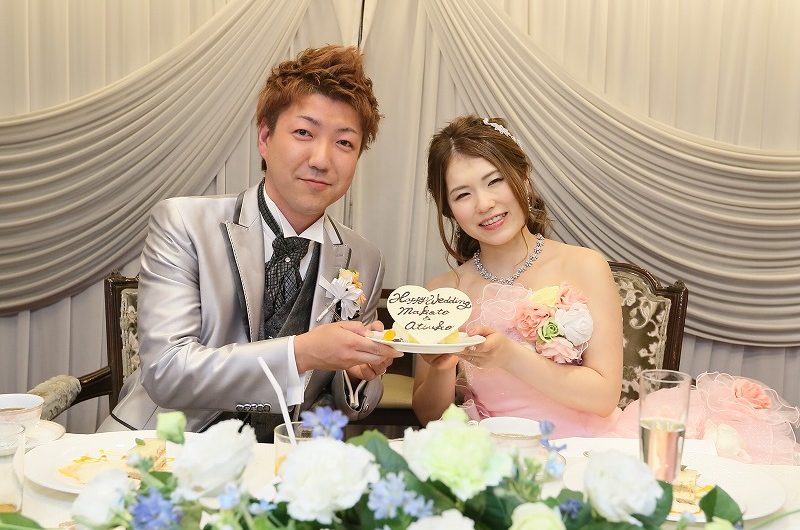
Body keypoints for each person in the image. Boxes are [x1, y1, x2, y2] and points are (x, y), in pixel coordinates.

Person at [99, 45, 401, 439]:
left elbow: (346, 404)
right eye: (304, 133)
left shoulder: (364, 258)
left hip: (281, 456)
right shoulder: (184, 223)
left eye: (344, 142)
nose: (321, 159)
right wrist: (302, 352)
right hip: (166, 446)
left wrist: (356, 375)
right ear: (264, 137)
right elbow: (167, 372)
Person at [412, 115, 624, 437]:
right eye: (462, 195)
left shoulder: (585, 266)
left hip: (580, 447)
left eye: (495, 181)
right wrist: (442, 368)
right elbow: (429, 416)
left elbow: (604, 397)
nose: (485, 204)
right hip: (489, 453)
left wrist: (510, 357)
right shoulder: (442, 292)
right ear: (449, 209)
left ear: (523, 176)